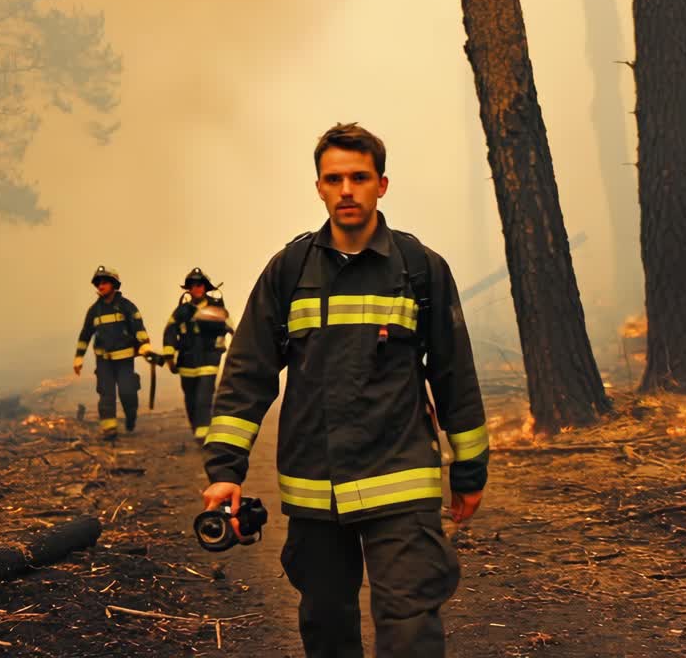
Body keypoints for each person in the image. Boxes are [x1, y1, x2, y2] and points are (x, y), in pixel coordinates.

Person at [201, 122, 489, 657]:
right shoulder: (288, 271)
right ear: (318, 187)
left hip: (401, 480)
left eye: (360, 177)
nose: (347, 190)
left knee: (409, 624)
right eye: (334, 179)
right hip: (315, 488)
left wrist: (470, 470)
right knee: (327, 625)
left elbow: (454, 374)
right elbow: (247, 374)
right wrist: (224, 472)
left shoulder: (420, 269)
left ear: (382, 184)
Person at [73, 266, 154, 439]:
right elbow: (85, 334)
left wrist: (145, 345)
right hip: (104, 361)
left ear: (114, 284)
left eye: (104, 283)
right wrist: (79, 357)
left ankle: (131, 417)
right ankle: (109, 430)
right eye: (98, 283)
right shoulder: (94, 311)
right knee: (106, 394)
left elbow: (138, 327)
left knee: (127, 392)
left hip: (124, 360)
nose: (100, 286)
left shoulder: (127, 307)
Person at [162, 268, 234, 445]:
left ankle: (203, 433)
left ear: (205, 287)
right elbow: (170, 332)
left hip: (209, 360)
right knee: (191, 398)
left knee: (204, 395)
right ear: (188, 289)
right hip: (187, 362)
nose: (196, 289)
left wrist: (235, 351)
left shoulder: (216, 308)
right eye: (192, 286)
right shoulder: (181, 312)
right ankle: (197, 427)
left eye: (199, 285)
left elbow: (232, 328)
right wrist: (169, 357)